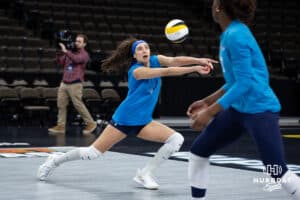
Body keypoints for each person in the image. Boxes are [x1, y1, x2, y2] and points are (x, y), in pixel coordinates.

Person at [37, 38, 215, 190]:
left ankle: (145, 174)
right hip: (125, 119)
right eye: (140, 49)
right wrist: (195, 68)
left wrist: (198, 60)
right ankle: (54, 160)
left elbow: (174, 61)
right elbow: (167, 71)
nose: (144, 50)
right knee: (92, 153)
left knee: (176, 139)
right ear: (135, 56)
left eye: (146, 47)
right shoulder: (136, 71)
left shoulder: (154, 59)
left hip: (143, 121)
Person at [187, 0, 300, 199]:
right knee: (198, 152)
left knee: (276, 169)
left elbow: (245, 83)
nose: (211, 5)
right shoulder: (230, 33)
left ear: (219, 7)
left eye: (214, 2)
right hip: (238, 110)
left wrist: (210, 112)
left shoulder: (236, 35)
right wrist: (207, 101)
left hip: (259, 109)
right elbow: (235, 81)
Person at [48, 34, 97, 136]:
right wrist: (59, 52)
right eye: (76, 41)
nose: (76, 43)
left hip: (75, 83)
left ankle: (91, 123)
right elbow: (61, 63)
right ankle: (60, 126)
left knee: (78, 104)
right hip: (64, 82)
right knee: (61, 104)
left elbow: (77, 59)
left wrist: (66, 51)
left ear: (84, 44)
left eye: (79, 41)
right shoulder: (70, 53)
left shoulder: (84, 54)